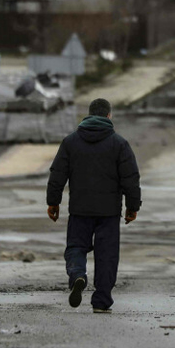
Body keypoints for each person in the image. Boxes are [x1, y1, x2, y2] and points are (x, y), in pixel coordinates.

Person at [47, 97, 142, 314]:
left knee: (76, 247)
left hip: (79, 209)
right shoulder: (119, 144)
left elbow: (57, 175)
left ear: (89, 115)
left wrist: (53, 202)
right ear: (109, 116)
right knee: (106, 255)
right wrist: (132, 207)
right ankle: (101, 300)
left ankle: (78, 274)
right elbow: (131, 178)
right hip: (109, 212)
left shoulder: (70, 142)